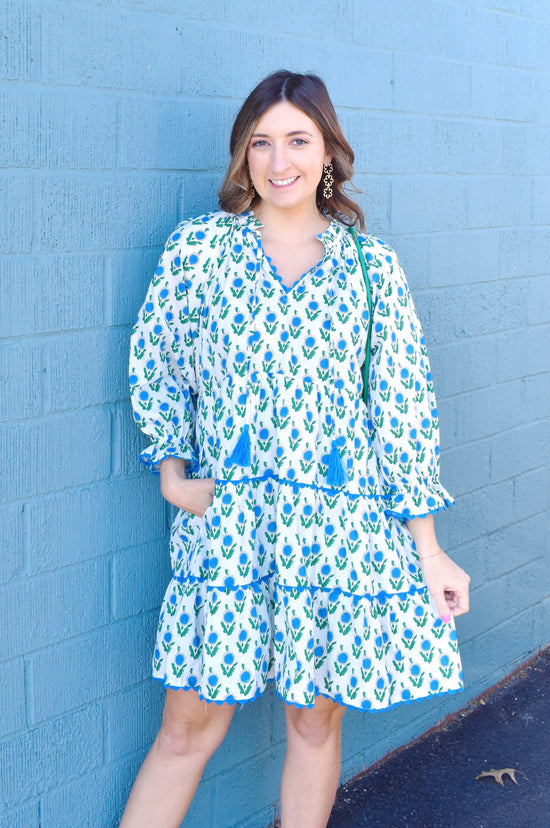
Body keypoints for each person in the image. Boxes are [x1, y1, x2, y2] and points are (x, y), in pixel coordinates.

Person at [121, 70, 470, 828]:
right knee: (187, 730)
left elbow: (403, 408)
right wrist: (174, 477)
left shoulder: (371, 269)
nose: (280, 162)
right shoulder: (201, 250)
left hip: (339, 532)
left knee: (315, 724)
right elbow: (156, 361)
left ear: (328, 151)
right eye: (262, 142)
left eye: (298, 140)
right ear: (243, 156)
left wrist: (430, 549)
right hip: (229, 528)